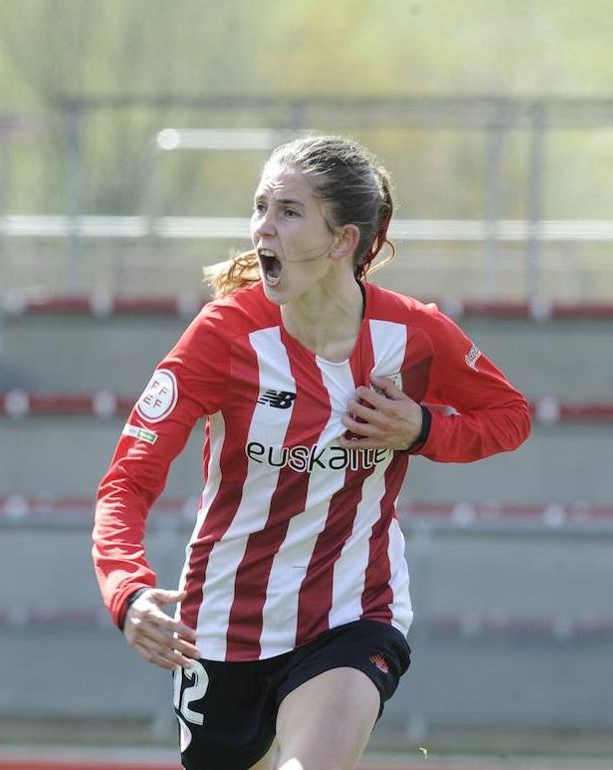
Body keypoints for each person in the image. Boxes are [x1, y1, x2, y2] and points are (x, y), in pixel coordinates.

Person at [92, 135, 531, 770]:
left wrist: (424, 429)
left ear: (342, 240)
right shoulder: (222, 338)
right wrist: (127, 592)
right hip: (222, 626)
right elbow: (126, 484)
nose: (262, 228)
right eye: (260, 206)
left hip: (353, 612)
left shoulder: (413, 335)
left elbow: (510, 416)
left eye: (288, 211)